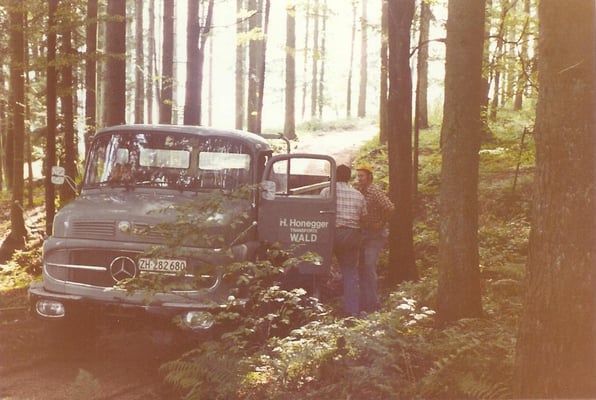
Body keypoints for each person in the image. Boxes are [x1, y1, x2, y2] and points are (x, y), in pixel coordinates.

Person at [321, 164, 367, 316]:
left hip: (330, 234)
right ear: (349, 177)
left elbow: (319, 213)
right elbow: (363, 217)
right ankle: (352, 310)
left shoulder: (327, 192)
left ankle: (318, 305)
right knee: (349, 272)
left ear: (334, 176)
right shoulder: (358, 195)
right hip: (351, 235)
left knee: (319, 268)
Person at [356, 165, 395, 312]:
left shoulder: (375, 191)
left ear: (369, 177)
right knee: (361, 267)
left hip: (375, 235)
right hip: (363, 234)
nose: (359, 178)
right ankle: (364, 300)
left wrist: (381, 223)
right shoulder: (360, 191)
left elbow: (390, 208)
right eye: (358, 176)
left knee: (369, 265)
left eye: (362, 176)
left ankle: (374, 302)